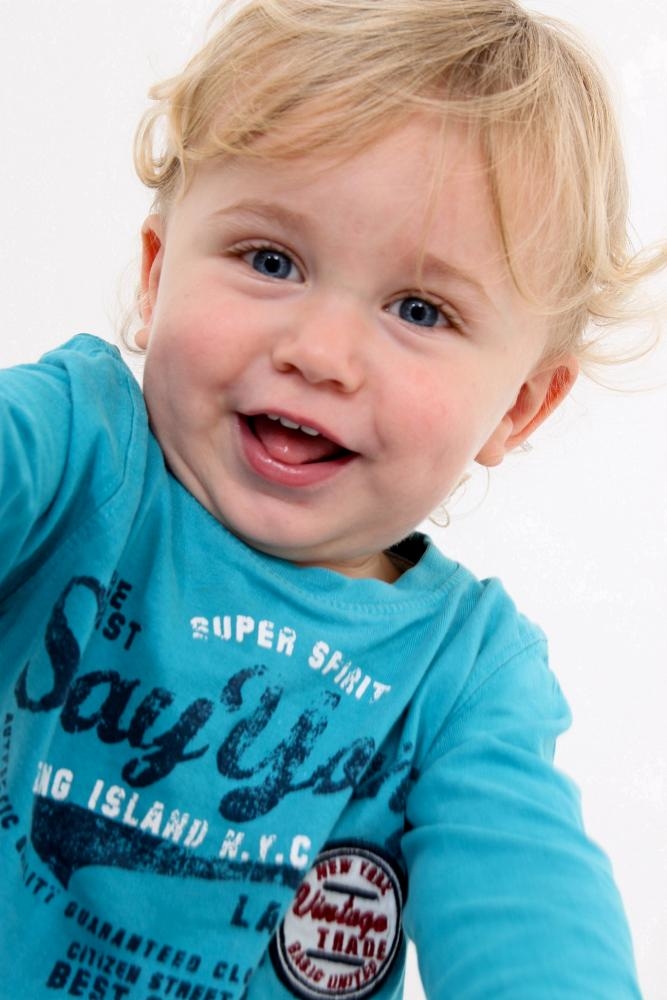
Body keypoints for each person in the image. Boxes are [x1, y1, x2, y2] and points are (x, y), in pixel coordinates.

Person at [0, 1, 664, 997]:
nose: (319, 354)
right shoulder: (71, 451)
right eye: (270, 261)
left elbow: (536, 925)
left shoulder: (461, 678)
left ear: (519, 406)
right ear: (155, 273)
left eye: (419, 310)